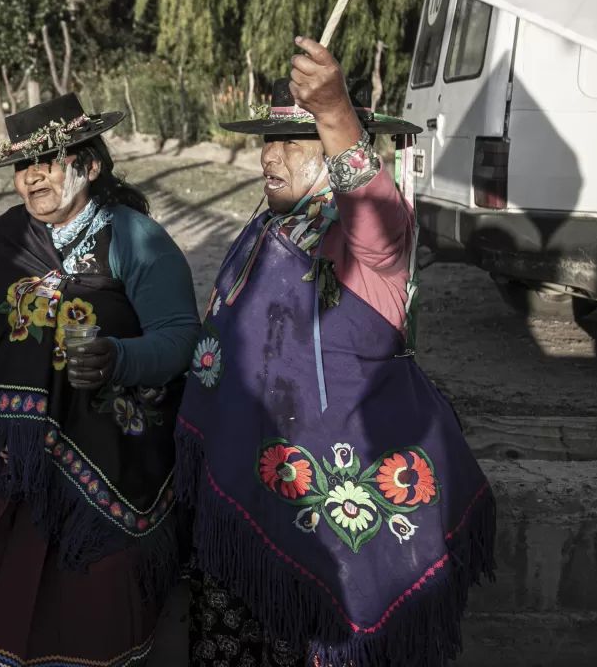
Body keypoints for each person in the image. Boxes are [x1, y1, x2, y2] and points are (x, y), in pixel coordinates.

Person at [175, 38, 495, 667]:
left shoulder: (374, 245)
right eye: (268, 139)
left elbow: (372, 211)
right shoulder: (264, 231)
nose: (270, 155)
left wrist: (334, 112)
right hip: (252, 499)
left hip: (339, 516)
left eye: (293, 140)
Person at [0, 94, 201, 667]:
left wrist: (116, 358)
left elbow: (179, 340)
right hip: (10, 437)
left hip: (106, 438)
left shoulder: (136, 239)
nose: (32, 178)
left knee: (97, 565)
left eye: (48, 161)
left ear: (90, 165)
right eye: (23, 166)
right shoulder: (0, 243)